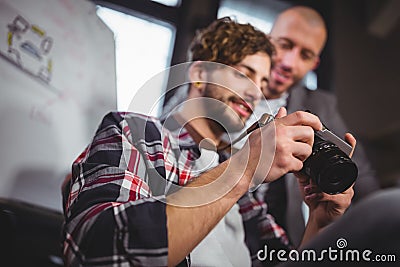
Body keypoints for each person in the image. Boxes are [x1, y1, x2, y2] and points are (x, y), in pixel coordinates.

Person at [62, 18, 354, 266]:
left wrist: (319, 220)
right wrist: (245, 168)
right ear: (200, 73)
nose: (255, 93)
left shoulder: (245, 193)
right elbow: (99, 252)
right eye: (245, 74)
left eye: (263, 84)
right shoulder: (136, 133)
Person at [228, 6, 380, 247]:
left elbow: (364, 180)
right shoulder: (222, 87)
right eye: (285, 45)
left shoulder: (321, 105)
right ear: (267, 41)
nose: (289, 62)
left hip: (280, 243)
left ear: (314, 63)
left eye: (305, 55)